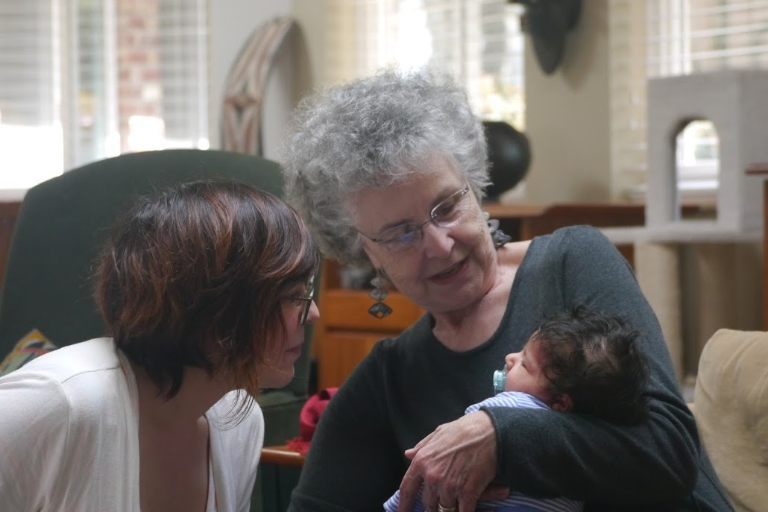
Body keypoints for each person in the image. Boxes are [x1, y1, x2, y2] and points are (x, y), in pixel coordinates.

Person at [281, 67, 733, 512]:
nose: (440, 244)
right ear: (365, 252)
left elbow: (669, 453)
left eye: (446, 206)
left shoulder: (570, 262)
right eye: (401, 233)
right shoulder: (387, 381)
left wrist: (498, 436)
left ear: (475, 189)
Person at [0, 180, 320, 511]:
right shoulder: (59, 403)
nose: (313, 313)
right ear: (215, 305)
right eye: (293, 294)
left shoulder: (238, 423)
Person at [383, 306, 649, 512]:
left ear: (561, 403)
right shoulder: (590, 449)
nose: (511, 358)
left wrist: (397, 505)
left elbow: (439, 468)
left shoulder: (505, 409)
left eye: (525, 364)